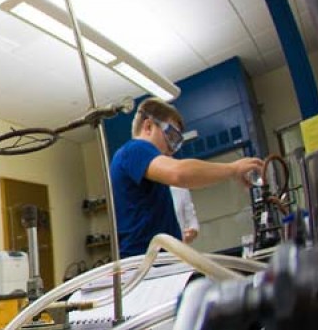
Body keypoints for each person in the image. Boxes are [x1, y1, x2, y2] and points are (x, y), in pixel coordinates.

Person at [110, 98, 261, 257]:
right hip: (147, 266)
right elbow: (179, 173)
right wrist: (233, 169)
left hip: (158, 262)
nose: (172, 149)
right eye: (171, 136)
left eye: (177, 143)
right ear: (148, 126)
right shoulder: (135, 149)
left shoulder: (141, 165)